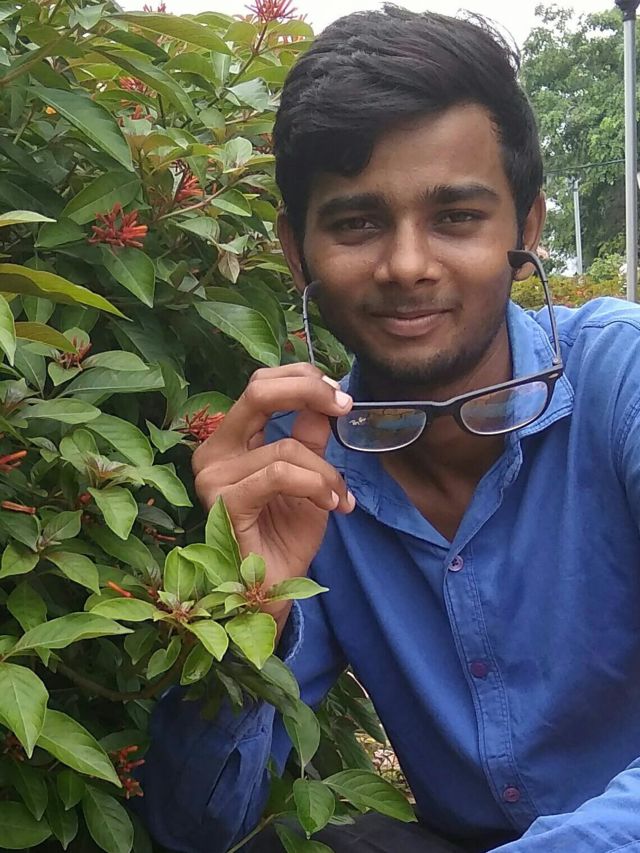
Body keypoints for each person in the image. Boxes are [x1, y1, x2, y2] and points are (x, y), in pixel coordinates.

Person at [138, 6, 640, 852]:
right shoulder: (300, 469)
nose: (407, 264)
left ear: (526, 230)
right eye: (357, 223)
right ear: (296, 251)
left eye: (457, 216)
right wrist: (241, 596)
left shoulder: (620, 382)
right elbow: (197, 829)